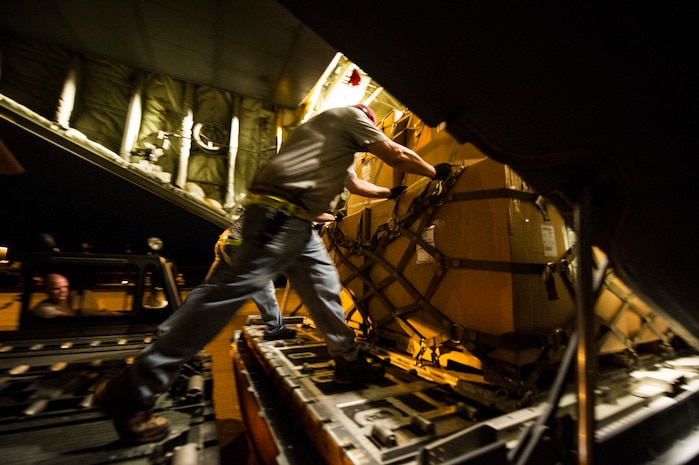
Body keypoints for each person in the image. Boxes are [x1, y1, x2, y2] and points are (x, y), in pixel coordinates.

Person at [94, 104, 452, 444]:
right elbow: (395, 153)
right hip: (279, 219)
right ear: (366, 119)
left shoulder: (326, 143)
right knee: (223, 300)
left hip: (294, 223)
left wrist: (393, 192)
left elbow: (357, 187)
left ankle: (348, 361)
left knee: (323, 285)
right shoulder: (350, 117)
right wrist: (434, 172)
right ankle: (134, 390)